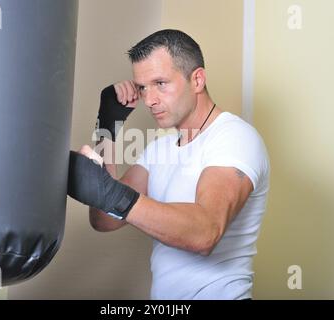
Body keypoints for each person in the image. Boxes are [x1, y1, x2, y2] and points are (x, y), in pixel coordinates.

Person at [67, 29, 270, 300]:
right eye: (142, 87)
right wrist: (108, 125)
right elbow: (104, 218)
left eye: (160, 83)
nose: (149, 100)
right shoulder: (159, 148)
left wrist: (111, 194)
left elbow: (205, 234)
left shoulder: (234, 137)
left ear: (197, 80)